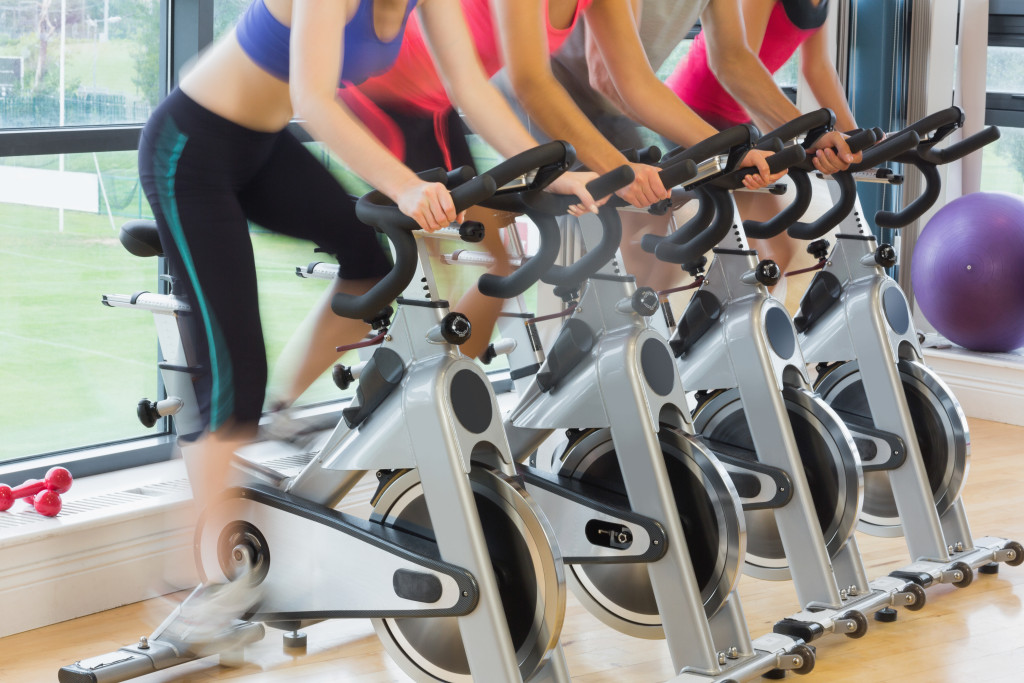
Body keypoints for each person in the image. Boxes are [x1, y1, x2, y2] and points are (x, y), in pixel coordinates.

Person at [137, 0, 595, 641]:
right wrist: (405, 186)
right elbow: (316, 102)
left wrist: (550, 169)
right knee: (233, 365)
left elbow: (469, 88)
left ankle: (280, 414)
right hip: (191, 151)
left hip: (263, 147)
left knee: (368, 265)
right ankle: (198, 581)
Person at [567, 0, 861, 292]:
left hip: (715, 119)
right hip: (666, 106)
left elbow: (738, 58)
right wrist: (800, 134)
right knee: (645, 249)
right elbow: (609, 75)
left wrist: (845, 136)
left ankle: (714, 318)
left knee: (770, 251)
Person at [666, 0, 860, 289]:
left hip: (737, 124)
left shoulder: (822, 5)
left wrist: (855, 138)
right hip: (695, 111)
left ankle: (733, 315)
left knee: (774, 252)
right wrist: (808, 132)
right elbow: (737, 63)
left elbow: (818, 69)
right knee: (742, 251)